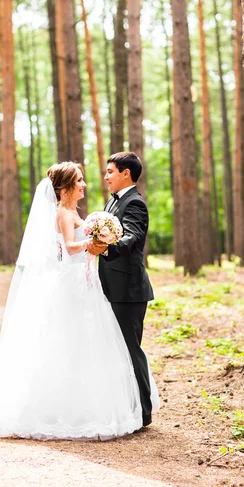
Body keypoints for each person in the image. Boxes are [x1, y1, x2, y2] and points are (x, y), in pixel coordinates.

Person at [0, 162, 158, 440]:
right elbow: (69, 247)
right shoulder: (64, 214)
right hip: (72, 283)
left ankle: (97, 405)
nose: (85, 184)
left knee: (87, 345)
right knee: (68, 344)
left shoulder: (74, 211)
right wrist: (92, 243)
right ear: (66, 186)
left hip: (85, 283)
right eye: (79, 180)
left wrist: (99, 238)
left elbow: (109, 235)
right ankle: (63, 409)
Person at [89, 152, 155, 428]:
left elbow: (133, 236)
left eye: (110, 172)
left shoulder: (135, 203)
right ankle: (125, 408)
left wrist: (107, 248)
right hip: (110, 287)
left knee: (130, 349)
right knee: (115, 350)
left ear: (126, 173)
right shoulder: (113, 201)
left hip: (128, 290)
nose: (106, 177)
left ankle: (143, 413)